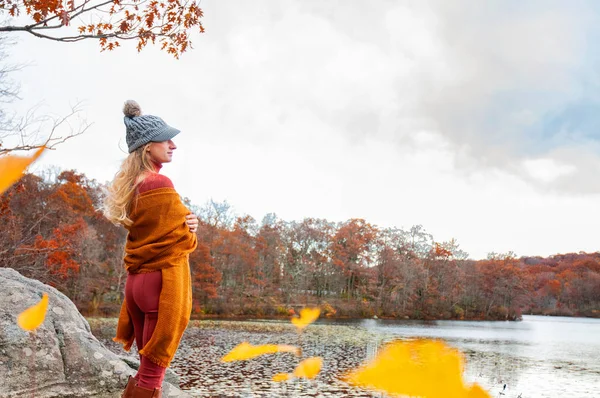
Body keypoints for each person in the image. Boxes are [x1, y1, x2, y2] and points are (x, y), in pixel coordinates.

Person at [103, 100, 199, 398]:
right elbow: (181, 241)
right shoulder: (160, 182)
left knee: (146, 367)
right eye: (166, 139)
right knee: (153, 371)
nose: (173, 145)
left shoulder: (132, 184)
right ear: (147, 146)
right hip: (159, 283)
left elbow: (160, 229)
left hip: (137, 284)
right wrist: (192, 229)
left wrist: (186, 222)